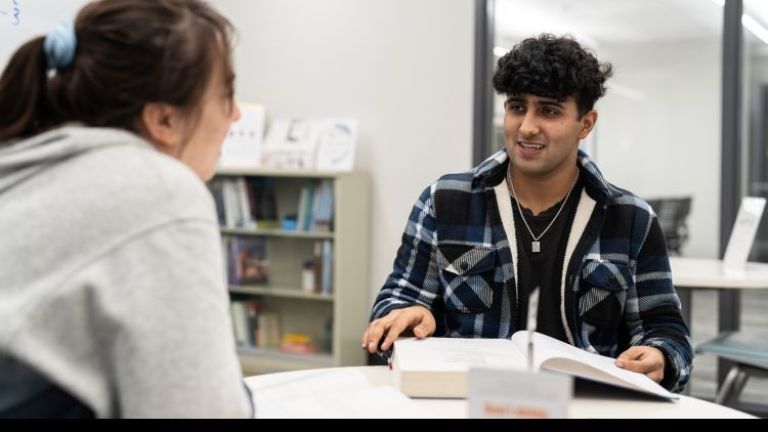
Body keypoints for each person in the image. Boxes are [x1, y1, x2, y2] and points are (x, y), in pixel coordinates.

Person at [363, 34, 693, 392]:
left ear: (586, 124)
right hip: (467, 402)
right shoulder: (443, 202)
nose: (527, 126)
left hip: (587, 407)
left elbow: (667, 332)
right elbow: (395, 301)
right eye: (517, 106)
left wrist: (660, 355)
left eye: (549, 111)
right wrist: (407, 318)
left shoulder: (630, 219)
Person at [0, 0, 252, 418]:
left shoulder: (27, 165)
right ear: (164, 120)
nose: (236, 114)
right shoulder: (160, 192)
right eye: (226, 94)